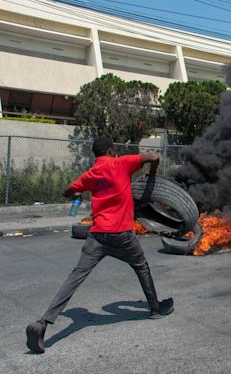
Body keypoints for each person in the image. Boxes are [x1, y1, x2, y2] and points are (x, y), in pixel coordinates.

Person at [26, 137, 173, 354]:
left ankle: (43, 322)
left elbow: (67, 191)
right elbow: (154, 156)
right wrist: (151, 175)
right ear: (112, 151)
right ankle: (155, 308)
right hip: (122, 234)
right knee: (141, 266)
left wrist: (78, 193)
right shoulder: (121, 163)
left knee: (76, 276)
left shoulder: (90, 174)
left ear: (96, 154)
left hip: (97, 236)